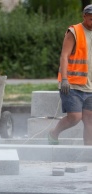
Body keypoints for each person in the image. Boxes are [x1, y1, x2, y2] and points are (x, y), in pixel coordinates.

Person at [48, 5, 92, 145]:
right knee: (75, 117)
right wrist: (65, 79)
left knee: (89, 120)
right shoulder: (74, 31)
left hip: (90, 85)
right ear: (84, 16)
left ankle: (88, 151)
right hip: (72, 83)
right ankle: (54, 134)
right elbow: (64, 56)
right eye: (91, 18)